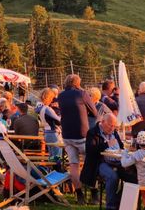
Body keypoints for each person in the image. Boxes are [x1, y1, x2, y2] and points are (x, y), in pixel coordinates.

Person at [58, 74, 97, 205]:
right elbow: (95, 112)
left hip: (67, 135)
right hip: (81, 134)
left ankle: (79, 195)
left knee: (74, 165)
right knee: (90, 164)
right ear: (77, 83)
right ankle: (94, 194)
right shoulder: (82, 93)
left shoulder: (61, 95)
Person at [80, 113, 126, 210]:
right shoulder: (93, 132)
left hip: (117, 161)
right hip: (99, 162)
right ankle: (110, 207)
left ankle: (119, 202)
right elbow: (90, 150)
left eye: (114, 125)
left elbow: (121, 147)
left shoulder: (114, 132)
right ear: (103, 122)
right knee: (112, 176)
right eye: (110, 125)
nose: (112, 128)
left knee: (131, 176)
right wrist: (106, 145)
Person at [36, 88, 62, 161]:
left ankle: (51, 170)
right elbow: (59, 120)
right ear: (48, 97)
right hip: (53, 133)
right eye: (51, 98)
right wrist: (60, 111)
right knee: (57, 156)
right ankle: (57, 171)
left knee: (51, 156)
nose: (52, 100)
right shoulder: (47, 109)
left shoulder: (39, 107)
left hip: (46, 132)